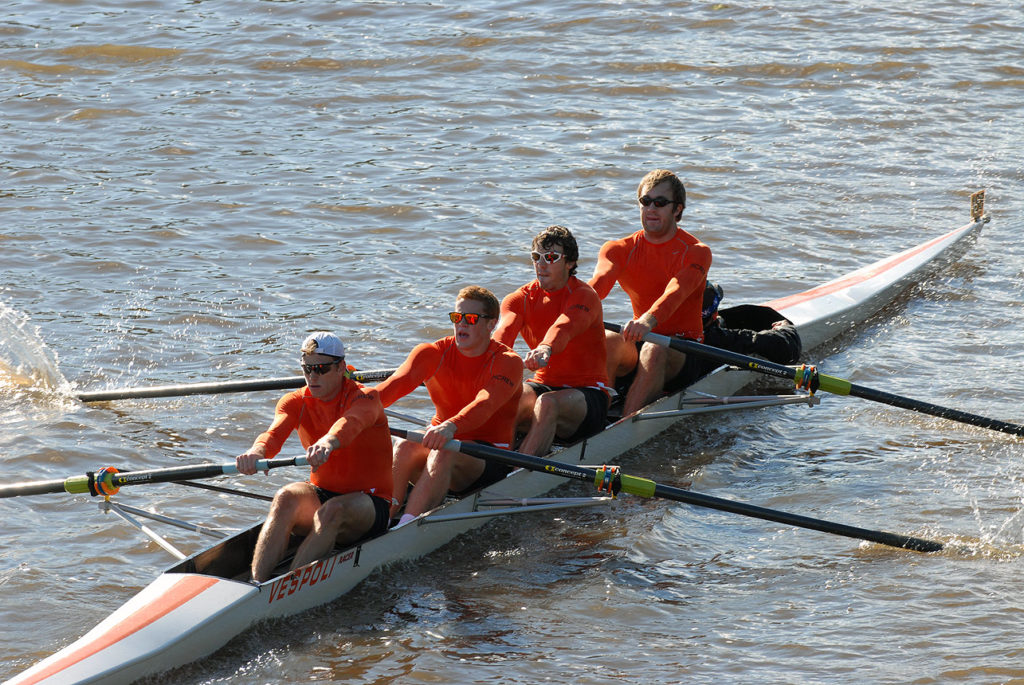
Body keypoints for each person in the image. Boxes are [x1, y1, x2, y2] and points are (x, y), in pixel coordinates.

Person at [236, 332, 393, 583]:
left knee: (332, 511)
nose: (312, 376)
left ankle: (287, 586)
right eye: (307, 369)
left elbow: (350, 423)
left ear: (341, 367)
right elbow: (273, 434)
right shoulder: (294, 401)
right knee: (285, 496)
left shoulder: (365, 397)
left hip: (371, 502)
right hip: (322, 495)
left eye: (321, 369)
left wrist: (328, 441)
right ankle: (257, 584)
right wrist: (256, 452)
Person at [375, 285, 523, 527]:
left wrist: (451, 426)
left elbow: (485, 403)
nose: (461, 324)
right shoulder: (431, 353)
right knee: (403, 445)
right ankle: (383, 517)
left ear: (491, 324)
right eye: (457, 317)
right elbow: (391, 387)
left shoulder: (508, 362)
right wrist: (350, 408)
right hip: (445, 439)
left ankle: (406, 527)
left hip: (490, 455)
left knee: (445, 450)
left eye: (471, 318)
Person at [589, 169, 712, 415]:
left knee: (654, 349)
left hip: (684, 347)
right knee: (606, 339)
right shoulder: (618, 249)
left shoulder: (696, 251)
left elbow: (676, 291)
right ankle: (595, 416)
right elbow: (596, 287)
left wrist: (647, 319)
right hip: (642, 339)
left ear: (677, 209)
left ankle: (623, 428)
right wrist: (568, 310)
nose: (651, 209)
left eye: (660, 202)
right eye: (645, 201)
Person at [494, 225, 610, 456]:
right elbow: (501, 337)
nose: (541, 264)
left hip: (589, 394)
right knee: (505, 401)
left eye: (551, 257)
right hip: (545, 383)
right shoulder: (518, 299)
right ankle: (489, 463)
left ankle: (519, 469)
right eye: (536, 257)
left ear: (569, 263)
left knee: (547, 403)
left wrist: (545, 348)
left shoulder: (584, 295)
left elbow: (565, 326)